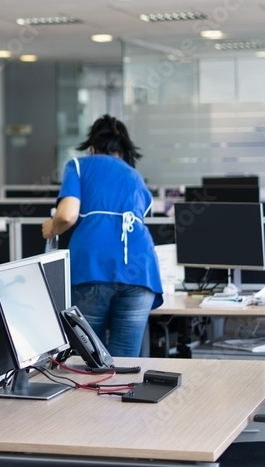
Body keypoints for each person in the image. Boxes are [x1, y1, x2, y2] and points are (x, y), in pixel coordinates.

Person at [41, 114, 162, 357]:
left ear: (92, 146)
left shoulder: (78, 166)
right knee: (124, 361)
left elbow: (67, 215)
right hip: (141, 272)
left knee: (88, 359)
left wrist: (50, 228)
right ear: (124, 150)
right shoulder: (134, 176)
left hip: (93, 268)